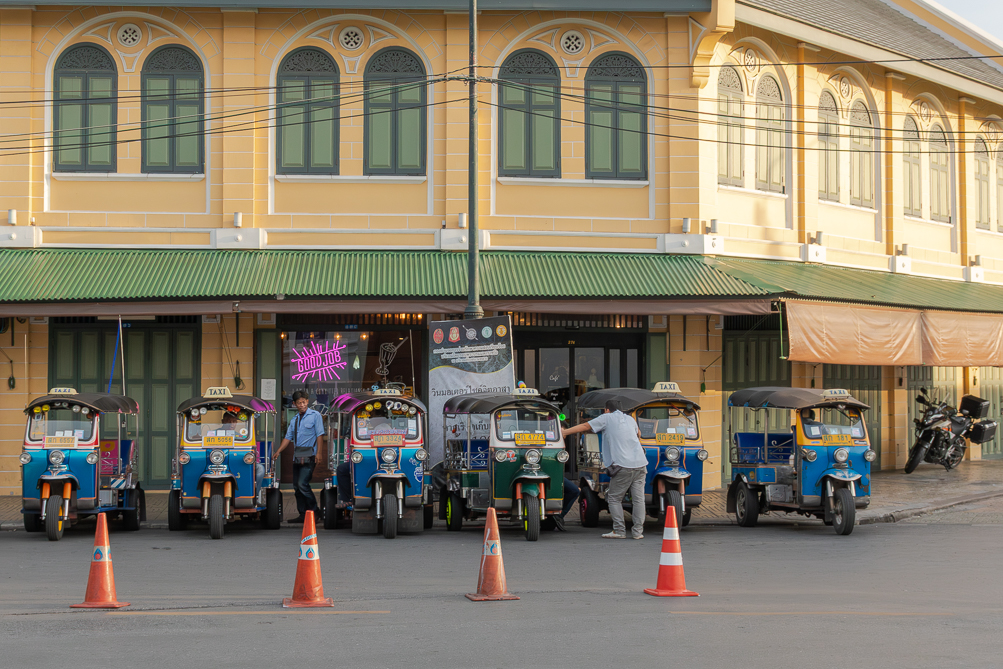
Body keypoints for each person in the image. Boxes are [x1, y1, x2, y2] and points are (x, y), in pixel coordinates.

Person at [562, 399, 647, 539]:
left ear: (606, 410)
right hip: (640, 464)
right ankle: (638, 532)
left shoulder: (607, 418)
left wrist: (565, 432)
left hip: (623, 464)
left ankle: (619, 531)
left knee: (614, 498)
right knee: (638, 500)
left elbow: (584, 426)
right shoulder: (630, 419)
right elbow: (639, 434)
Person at [272, 391, 325, 523]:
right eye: (299, 403)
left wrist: (319, 453)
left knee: (303, 484)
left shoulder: (315, 415)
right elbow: (287, 438)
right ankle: (302, 514)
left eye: (304, 402)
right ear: (294, 404)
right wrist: (278, 451)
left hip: (311, 455)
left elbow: (320, 435)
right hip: (297, 456)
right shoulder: (294, 419)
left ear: (307, 401)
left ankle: (315, 511)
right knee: (296, 486)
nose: (302, 405)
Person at [222, 411, 264, 490]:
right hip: (218, 464)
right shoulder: (212, 434)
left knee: (260, 469)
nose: (231, 424)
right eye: (228, 421)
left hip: (239, 462)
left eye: (234, 421)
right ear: (222, 421)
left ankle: (255, 494)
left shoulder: (242, 437)